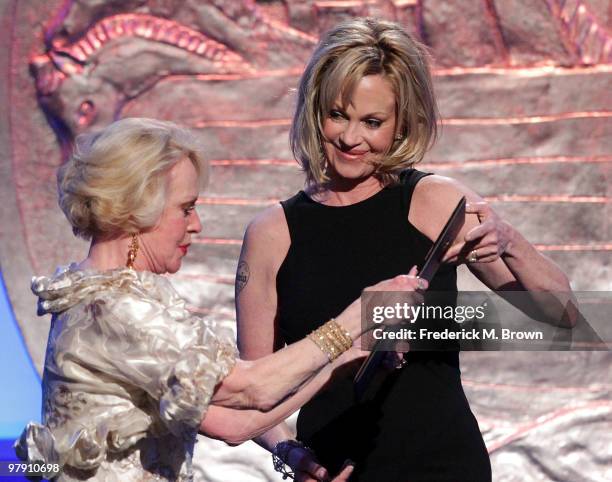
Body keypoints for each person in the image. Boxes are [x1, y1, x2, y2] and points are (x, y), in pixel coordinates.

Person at [236, 18, 577, 482]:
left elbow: (563, 315)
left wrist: (511, 241)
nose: (351, 138)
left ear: (401, 124)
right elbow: (252, 388)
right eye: (338, 115)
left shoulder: (436, 202)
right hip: (334, 469)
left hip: (443, 463)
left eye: (372, 122)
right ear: (315, 112)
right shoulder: (271, 233)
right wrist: (293, 455)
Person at [14, 117, 425, 481]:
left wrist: (345, 361)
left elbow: (232, 423)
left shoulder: (108, 298)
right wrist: (360, 314)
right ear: (137, 209)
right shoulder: (113, 311)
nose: (197, 225)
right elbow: (251, 389)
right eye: (186, 208)